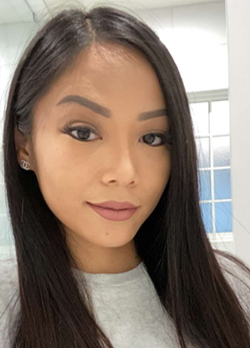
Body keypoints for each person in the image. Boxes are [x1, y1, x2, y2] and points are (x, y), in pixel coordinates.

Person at [0, 5, 250, 348]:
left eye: (153, 137)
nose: (125, 172)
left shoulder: (230, 292)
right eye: (83, 133)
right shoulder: (7, 307)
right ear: (23, 144)